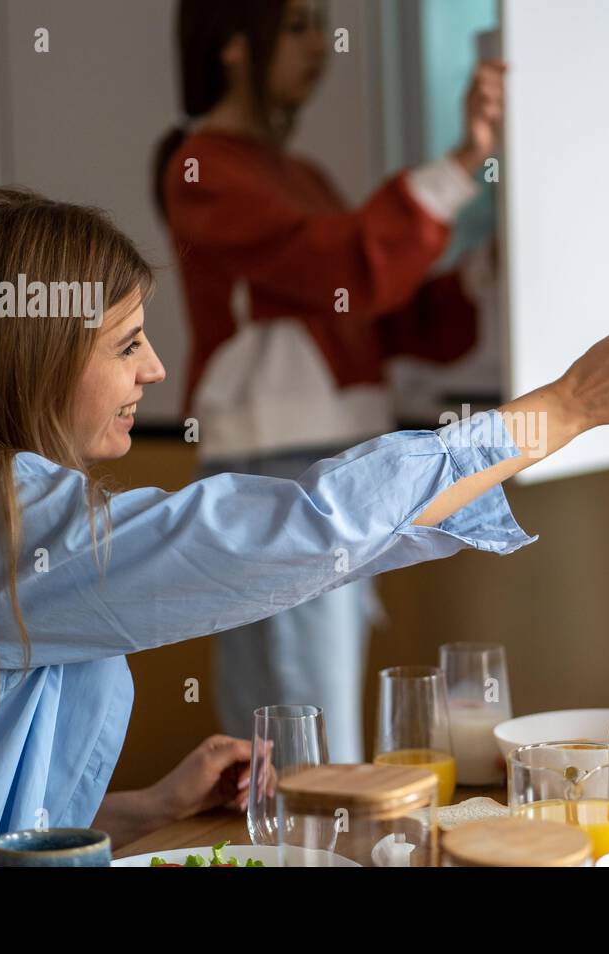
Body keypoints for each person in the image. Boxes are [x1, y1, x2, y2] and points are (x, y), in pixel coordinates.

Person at [0, 187, 609, 864]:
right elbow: (301, 532)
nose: (157, 369)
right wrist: (563, 409)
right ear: (36, 354)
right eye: (127, 344)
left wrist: (150, 807)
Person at [153, 0, 508, 758]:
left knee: (312, 722)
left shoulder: (300, 175)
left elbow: (387, 318)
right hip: (276, 465)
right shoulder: (200, 167)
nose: (322, 44)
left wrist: (488, 266)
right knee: (302, 732)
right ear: (233, 46)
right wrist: (461, 162)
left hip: (332, 458)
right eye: (297, 25)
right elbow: (346, 267)